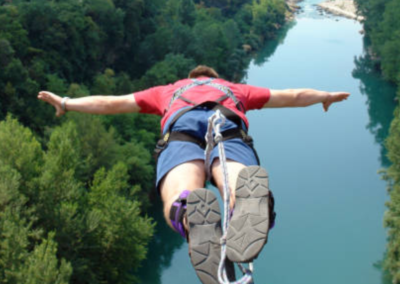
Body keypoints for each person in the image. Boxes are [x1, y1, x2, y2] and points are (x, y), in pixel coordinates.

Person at [38, 65, 349, 284]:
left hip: (181, 128)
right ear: (215, 78)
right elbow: (292, 95)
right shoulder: (234, 89)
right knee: (236, 176)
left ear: (189, 79)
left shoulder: (167, 91)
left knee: (181, 193)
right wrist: (324, 95)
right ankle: (248, 200)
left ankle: (188, 212)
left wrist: (65, 103)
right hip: (226, 122)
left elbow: (111, 103)